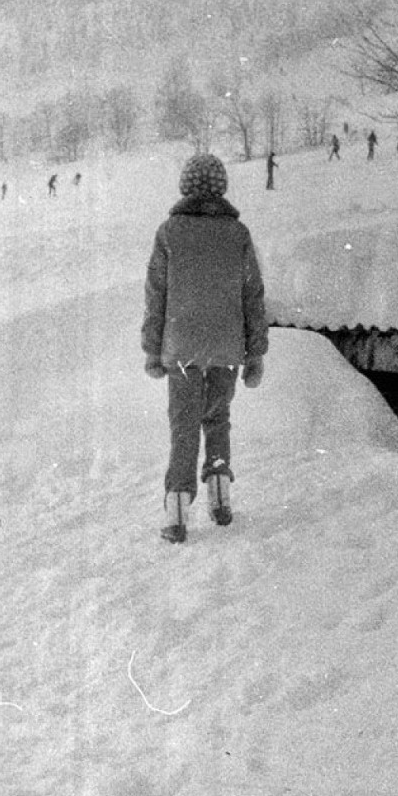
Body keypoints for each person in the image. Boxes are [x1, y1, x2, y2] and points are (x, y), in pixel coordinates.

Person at [141, 153, 268, 543]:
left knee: (183, 427)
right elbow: (253, 296)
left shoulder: (169, 232)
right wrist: (256, 350)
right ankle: (220, 497)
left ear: (185, 187)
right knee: (218, 418)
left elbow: (155, 296)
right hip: (227, 349)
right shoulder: (238, 234)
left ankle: (177, 511)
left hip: (182, 349)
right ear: (221, 188)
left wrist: (152, 348)